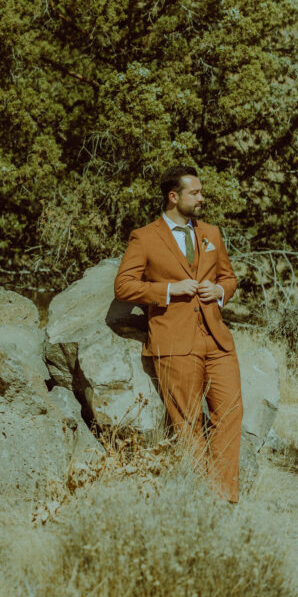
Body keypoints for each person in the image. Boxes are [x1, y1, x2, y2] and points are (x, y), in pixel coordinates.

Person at [113, 165, 243, 502]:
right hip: (173, 341)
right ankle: (205, 496)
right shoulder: (144, 237)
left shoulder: (211, 233)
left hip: (217, 340)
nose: (202, 197)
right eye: (195, 193)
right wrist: (170, 289)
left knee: (229, 413)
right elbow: (124, 286)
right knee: (187, 424)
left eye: (201, 192)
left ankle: (226, 494)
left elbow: (229, 277)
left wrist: (220, 292)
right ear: (174, 197)